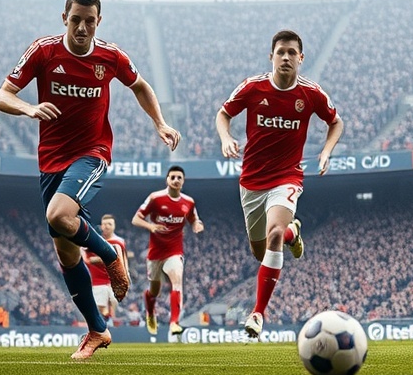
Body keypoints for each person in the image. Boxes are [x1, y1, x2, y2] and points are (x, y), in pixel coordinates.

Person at [0, 0, 181, 361]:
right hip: (50, 162)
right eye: (76, 20)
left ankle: (109, 253)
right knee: (65, 254)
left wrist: (159, 123)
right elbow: (3, 95)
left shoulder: (110, 56)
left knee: (58, 216)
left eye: (89, 22)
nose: (82, 28)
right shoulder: (43, 51)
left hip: (92, 154)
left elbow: (140, 86)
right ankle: (97, 330)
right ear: (64, 18)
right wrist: (29, 109)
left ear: (99, 21)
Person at [216, 30, 343, 338]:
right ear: (271, 57)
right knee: (263, 253)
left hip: (287, 176)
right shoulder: (252, 87)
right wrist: (226, 137)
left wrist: (326, 152)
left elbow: (336, 121)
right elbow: (223, 113)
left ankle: (257, 313)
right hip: (251, 182)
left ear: (301, 58)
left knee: (273, 236)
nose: (285, 57)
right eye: (280, 52)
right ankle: (293, 232)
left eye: (291, 52)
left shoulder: (311, 93)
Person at [133, 165, 203, 340]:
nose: (176, 180)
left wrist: (197, 225)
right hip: (155, 253)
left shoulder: (188, 202)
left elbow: (195, 219)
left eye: (179, 177)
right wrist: (151, 226)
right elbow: (136, 218)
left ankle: (174, 322)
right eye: (173, 177)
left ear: (183, 181)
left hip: (174, 251)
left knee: (177, 281)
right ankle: (150, 312)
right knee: (154, 291)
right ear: (167, 180)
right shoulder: (155, 198)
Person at [83, 214, 131, 325]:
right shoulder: (93, 239)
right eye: (104, 224)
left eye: (109, 224)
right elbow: (85, 256)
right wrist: (102, 259)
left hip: (113, 278)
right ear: (101, 225)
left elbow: (123, 259)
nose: (107, 226)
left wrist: (126, 275)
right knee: (100, 306)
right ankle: (106, 318)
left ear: (114, 226)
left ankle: (108, 319)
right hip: (97, 279)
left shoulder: (119, 241)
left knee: (114, 300)